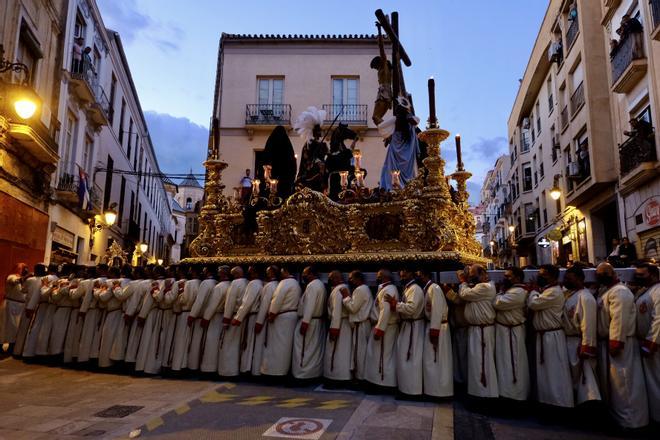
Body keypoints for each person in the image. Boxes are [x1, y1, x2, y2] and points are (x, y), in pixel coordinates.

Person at [596, 263, 649, 428]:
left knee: (625, 383)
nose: (599, 276)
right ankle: (621, 419)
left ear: (611, 273)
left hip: (621, 343)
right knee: (616, 385)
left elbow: (619, 318)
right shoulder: (608, 291)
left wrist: (616, 342)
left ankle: (631, 422)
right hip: (611, 342)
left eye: (602, 273)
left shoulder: (619, 292)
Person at [527, 264, 574, 408]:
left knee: (555, 372)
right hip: (544, 336)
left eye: (543, 274)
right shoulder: (547, 290)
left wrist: (533, 291)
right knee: (545, 373)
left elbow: (534, 303)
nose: (540, 277)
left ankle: (559, 403)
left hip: (552, 337)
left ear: (552, 276)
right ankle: (547, 402)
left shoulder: (553, 292)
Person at [458, 264, 498, 399]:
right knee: (476, 363)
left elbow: (465, 294)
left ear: (482, 274)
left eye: (472, 274)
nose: (470, 277)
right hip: (477, 330)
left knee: (482, 363)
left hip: (482, 331)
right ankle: (477, 393)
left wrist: (463, 282)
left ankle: (484, 396)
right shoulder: (480, 287)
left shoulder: (485, 287)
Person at [562, 265, 600, 405]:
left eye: (569, 278)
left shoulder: (585, 297)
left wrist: (586, 345)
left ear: (579, 279)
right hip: (569, 341)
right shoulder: (571, 294)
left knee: (584, 378)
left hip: (578, 342)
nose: (565, 280)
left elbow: (588, 323)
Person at [493, 267, 529, 402]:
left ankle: (515, 396)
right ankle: (504, 394)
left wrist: (499, 293)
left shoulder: (519, 292)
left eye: (508, 276)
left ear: (518, 278)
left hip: (512, 333)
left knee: (513, 363)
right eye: (505, 276)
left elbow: (498, 303)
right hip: (504, 332)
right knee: (504, 363)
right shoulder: (510, 290)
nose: (505, 279)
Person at [387, 267, 425, 396]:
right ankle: (405, 388)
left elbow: (411, 309)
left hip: (413, 328)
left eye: (404, 274)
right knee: (405, 358)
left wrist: (395, 304)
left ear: (411, 273)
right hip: (407, 327)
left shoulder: (414, 289)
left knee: (411, 358)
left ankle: (412, 391)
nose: (401, 277)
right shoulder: (408, 288)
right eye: (400, 275)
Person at [418, 268, 453, 398]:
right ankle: (432, 389)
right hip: (433, 325)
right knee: (431, 360)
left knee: (437, 360)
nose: (419, 277)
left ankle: (439, 391)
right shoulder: (429, 288)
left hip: (438, 328)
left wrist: (434, 331)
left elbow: (437, 310)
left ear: (426, 275)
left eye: (420, 275)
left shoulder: (434, 288)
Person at [261, 266, 301, 377]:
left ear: (286, 271)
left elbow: (277, 300)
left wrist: (272, 314)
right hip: (291, 317)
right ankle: (283, 371)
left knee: (277, 346)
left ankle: (275, 372)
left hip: (281, 318)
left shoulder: (285, 283)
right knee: (286, 346)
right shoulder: (295, 283)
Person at [634, 263, 660, 423]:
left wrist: (651, 342)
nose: (638, 278)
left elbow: (659, 319)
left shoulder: (658, 292)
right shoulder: (646, 291)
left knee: (657, 381)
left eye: (641, 275)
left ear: (653, 274)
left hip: (654, 345)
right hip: (645, 342)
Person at [364, 269, 399, 390]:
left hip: (386, 328)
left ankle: (383, 383)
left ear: (384, 277)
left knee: (383, 356)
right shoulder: (385, 288)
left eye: (378, 276)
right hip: (383, 326)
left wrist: (380, 330)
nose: (376, 277)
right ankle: (378, 381)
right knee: (378, 355)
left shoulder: (389, 289)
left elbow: (385, 311)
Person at [378, 97, 420, 191]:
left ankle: (393, 186)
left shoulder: (397, 120)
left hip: (396, 147)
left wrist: (388, 133)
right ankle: (406, 186)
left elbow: (380, 126)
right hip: (407, 150)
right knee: (406, 169)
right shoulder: (409, 121)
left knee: (391, 167)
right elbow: (416, 120)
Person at [292, 266, 326, 380]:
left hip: (309, 322)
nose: (303, 276)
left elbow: (309, 305)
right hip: (316, 321)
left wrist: (305, 322)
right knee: (313, 349)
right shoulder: (320, 284)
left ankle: (302, 375)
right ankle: (313, 374)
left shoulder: (312, 286)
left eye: (305, 273)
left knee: (303, 349)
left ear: (311, 274)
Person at [341, 270, 373, 381]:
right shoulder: (364, 288)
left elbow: (353, 308)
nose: (349, 280)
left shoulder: (360, 289)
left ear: (358, 279)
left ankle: (361, 378)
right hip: (363, 325)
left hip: (361, 325)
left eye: (351, 278)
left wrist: (345, 297)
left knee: (360, 353)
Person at [218, 266, 249, 377]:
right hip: (243, 317)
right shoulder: (247, 282)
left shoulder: (235, 284)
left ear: (235, 274)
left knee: (229, 344)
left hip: (234, 317)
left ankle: (228, 371)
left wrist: (226, 320)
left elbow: (230, 302)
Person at [23, 263, 59, 358]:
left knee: (36, 328)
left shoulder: (45, 278)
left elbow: (37, 294)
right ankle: (44, 352)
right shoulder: (59, 280)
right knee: (48, 330)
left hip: (43, 307)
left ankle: (30, 352)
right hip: (53, 308)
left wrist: (30, 307)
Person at [199, 266, 230, 374]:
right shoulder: (229, 285)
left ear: (223, 274)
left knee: (211, 343)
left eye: (219, 272)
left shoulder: (219, 287)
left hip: (215, 317)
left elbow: (213, 305)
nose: (217, 274)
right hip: (223, 315)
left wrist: (206, 318)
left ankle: (209, 368)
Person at [98, 266, 130, 368]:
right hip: (123, 313)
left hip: (112, 313)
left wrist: (97, 290)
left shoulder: (110, 283)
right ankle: (118, 362)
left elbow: (103, 297)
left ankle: (106, 363)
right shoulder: (130, 282)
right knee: (120, 339)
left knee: (108, 338)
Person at [324, 270, 352, 384]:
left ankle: (337, 378)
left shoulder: (338, 290)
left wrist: (334, 328)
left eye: (331, 278)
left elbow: (337, 310)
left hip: (339, 324)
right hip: (341, 323)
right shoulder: (340, 288)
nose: (329, 280)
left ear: (336, 278)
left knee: (338, 351)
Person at [252, 265, 280, 376]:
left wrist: (259, 322)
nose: (267, 273)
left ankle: (258, 371)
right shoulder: (278, 285)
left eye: (269, 272)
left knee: (261, 346)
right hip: (273, 320)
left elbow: (264, 304)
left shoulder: (270, 286)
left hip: (265, 319)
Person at [13, 263, 46, 356]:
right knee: (35, 331)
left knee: (23, 329)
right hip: (39, 308)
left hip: (28, 307)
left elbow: (23, 290)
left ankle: (18, 351)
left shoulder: (30, 280)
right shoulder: (45, 281)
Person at [187, 266, 216, 372]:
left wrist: (192, 315)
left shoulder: (205, 283)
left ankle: (193, 366)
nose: (202, 271)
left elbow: (199, 301)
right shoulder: (215, 283)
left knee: (196, 342)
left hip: (200, 316)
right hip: (210, 316)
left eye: (204, 269)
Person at [294, 107, 328, 192]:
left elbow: (325, 155)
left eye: (320, 131)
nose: (320, 133)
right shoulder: (309, 144)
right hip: (311, 170)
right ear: (314, 132)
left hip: (321, 170)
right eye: (318, 131)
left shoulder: (322, 144)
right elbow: (306, 157)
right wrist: (315, 162)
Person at [2, 263, 28, 353]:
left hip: (20, 306)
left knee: (16, 328)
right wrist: (24, 278)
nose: (24, 270)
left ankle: (12, 345)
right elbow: (14, 281)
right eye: (22, 268)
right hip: (11, 304)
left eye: (25, 268)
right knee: (7, 326)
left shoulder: (25, 280)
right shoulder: (12, 276)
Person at [371, 22, 392, 125]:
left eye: (375, 67)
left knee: (375, 117)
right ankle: (388, 135)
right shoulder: (383, 69)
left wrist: (379, 29)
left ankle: (389, 133)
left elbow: (381, 47)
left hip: (384, 93)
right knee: (376, 118)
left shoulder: (384, 66)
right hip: (384, 93)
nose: (375, 69)